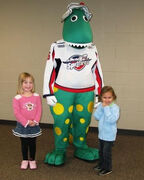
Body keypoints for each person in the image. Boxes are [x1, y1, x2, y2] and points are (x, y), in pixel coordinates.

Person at [12, 72, 42, 170]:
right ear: (21, 84)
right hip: (23, 125)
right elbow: (17, 113)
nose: (28, 85)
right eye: (25, 82)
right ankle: (25, 160)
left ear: (33, 84)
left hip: (34, 124)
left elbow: (39, 110)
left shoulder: (36, 96)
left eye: (30, 82)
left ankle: (32, 160)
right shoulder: (17, 98)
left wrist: (36, 121)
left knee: (32, 143)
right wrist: (27, 122)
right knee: (24, 143)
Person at [93, 86, 120, 176]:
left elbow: (112, 120)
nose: (107, 100)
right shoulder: (102, 105)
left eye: (109, 97)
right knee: (100, 152)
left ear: (113, 97)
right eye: (104, 97)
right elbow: (96, 117)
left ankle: (107, 168)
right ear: (101, 97)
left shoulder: (115, 108)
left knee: (106, 153)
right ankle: (101, 165)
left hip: (109, 135)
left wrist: (106, 108)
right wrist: (101, 108)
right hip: (101, 134)